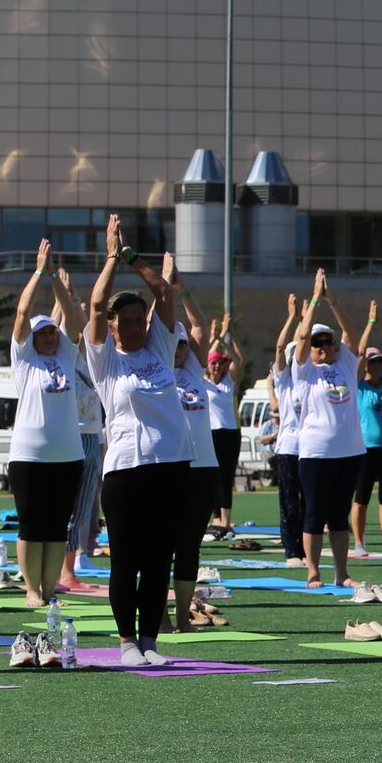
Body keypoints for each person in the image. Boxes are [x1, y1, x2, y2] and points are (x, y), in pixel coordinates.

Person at [85, 215, 191, 665]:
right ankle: (126, 642)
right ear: (111, 327)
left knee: (159, 557)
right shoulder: (106, 362)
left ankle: (151, 641)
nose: (131, 326)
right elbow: (93, 306)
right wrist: (111, 258)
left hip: (172, 464)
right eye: (122, 321)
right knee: (126, 558)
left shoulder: (160, 349)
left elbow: (164, 294)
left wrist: (132, 256)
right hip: (126, 469)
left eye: (136, 319)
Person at [6, 240, 86, 608]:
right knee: (31, 526)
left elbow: (72, 315)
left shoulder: (67, 354)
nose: (49, 337)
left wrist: (55, 278)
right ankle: (32, 589)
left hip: (67, 455)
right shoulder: (25, 360)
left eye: (52, 332)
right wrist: (39, 272)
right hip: (29, 456)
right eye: (43, 333)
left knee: (57, 528)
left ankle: (50, 588)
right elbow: (22, 314)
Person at [287, 268, 366, 589]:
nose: (323, 347)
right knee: (314, 514)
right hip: (316, 452)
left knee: (339, 516)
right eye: (318, 342)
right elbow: (302, 339)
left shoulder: (345, 364)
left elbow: (351, 332)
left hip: (349, 452)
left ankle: (342, 572)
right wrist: (315, 301)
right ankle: (313, 571)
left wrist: (332, 300)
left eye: (327, 342)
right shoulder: (304, 372)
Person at [163, 264, 224, 629]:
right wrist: (162, 293)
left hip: (204, 467)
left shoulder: (193, 371)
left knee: (189, 548)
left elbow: (199, 325)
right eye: (176, 343)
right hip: (170, 467)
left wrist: (180, 285)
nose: (182, 349)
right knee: (161, 547)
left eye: (186, 344)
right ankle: (157, 614)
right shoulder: (155, 368)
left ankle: (183, 613)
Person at [53, 267, 105, 592]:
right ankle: (63, 571)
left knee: (85, 504)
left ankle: (69, 567)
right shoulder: (68, 355)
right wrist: (65, 295)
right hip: (73, 434)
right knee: (69, 504)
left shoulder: (96, 359)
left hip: (94, 435)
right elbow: (57, 326)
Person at [352, 302, 382, 558]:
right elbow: (358, 354)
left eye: (380, 360)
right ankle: (359, 543)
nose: (378, 364)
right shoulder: (360, 386)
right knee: (361, 498)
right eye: (374, 361)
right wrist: (369, 324)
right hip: (366, 449)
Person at [267, 296, 306, 568]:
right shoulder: (284, 381)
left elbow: (303, 344)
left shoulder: (309, 380)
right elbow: (282, 347)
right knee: (290, 502)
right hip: (289, 448)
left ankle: (307, 549)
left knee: (310, 504)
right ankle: (292, 550)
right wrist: (293, 317)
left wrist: (307, 321)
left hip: (312, 448)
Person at [203, 313, 246, 535]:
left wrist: (229, 334)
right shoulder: (203, 382)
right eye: (214, 363)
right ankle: (215, 518)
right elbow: (203, 355)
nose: (218, 367)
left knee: (227, 476)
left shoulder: (229, 382)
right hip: (210, 433)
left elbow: (239, 359)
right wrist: (217, 336)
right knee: (212, 476)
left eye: (221, 363)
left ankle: (226, 521)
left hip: (230, 433)